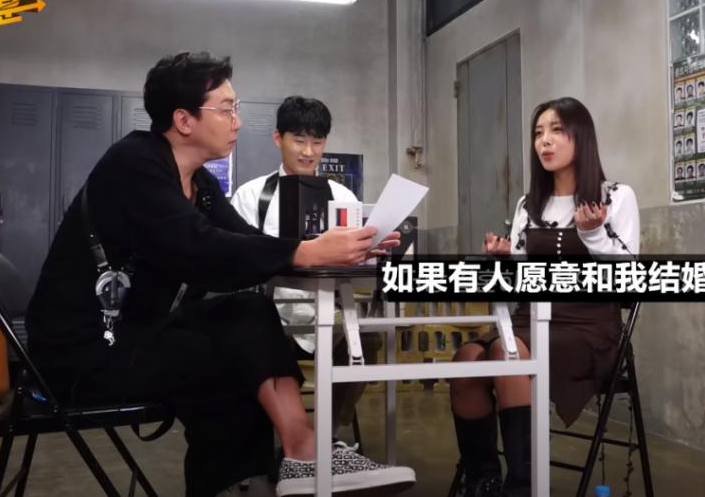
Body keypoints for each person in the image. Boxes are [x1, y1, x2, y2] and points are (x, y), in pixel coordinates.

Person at [25, 52, 415, 497]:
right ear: (184, 120)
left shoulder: (200, 183)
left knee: (249, 310)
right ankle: (246, 478)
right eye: (227, 109)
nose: (237, 121)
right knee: (222, 366)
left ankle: (303, 452)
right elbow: (200, 248)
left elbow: (244, 243)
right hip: (85, 351)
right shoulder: (133, 164)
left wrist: (348, 249)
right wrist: (304, 250)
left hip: (141, 331)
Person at [449, 97, 640, 497]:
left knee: (507, 352)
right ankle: (483, 480)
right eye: (538, 133)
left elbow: (625, 278)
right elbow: (521, 280)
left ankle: (523, 486)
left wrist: (592, 234)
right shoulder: (528, 204)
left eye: (557, 130)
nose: (545, 141)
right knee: (466, 359)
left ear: (581, 137)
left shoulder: (616, 196)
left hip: (587, 326)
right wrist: (504, 263)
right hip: (528, 319)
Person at [230, 95, 380, 435]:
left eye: (317, 142)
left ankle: (328, 435)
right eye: (299, 140)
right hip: (272, 317)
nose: (308, 152)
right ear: (278, 138)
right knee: (255, 342)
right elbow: (238, 261)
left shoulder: (343, 198)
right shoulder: (251, 196)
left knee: (366, 341)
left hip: (330, 314)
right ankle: (289, 435)